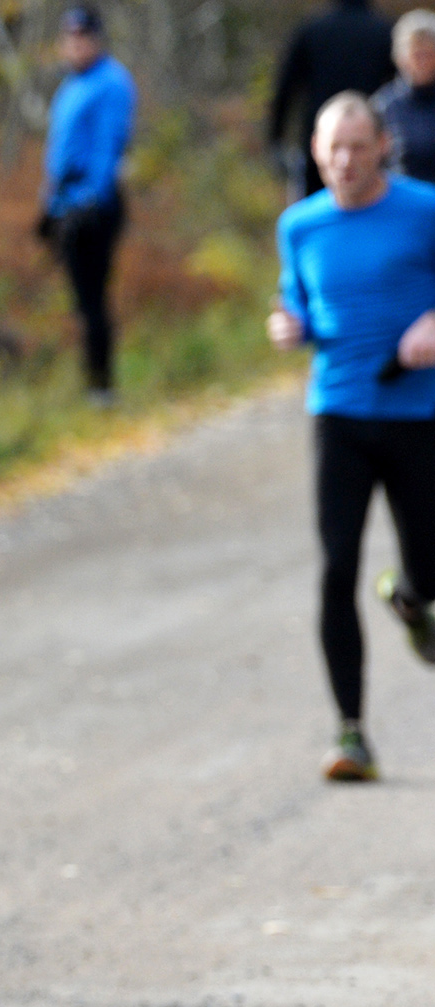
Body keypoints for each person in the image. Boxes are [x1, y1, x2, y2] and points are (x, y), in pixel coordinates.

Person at [269, 93, 435, 782]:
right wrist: (289, 325)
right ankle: (351, 732)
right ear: (315, 151)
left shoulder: (424, 210)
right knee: (335, 570)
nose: (344, 161)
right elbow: (296, 299)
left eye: (358, 147)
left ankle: (412, 595)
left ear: (381, 148)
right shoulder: (299, 225)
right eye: (332, 148)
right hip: (337, 410)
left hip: (418, 412)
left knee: (431, 566)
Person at [39, 7, 136, 404]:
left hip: (95, 206)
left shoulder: (111, 82)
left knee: (93, 298)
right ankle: (91, 383)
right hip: (66, 202)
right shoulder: (70, 85)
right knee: (79, 301)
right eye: (69, 37)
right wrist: (48, 206)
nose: (76, 44)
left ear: (97, 38)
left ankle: (102, 387)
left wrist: (90, 201)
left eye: (83, 36)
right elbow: (59, 151)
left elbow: (108, 148)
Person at [271, 0, 401, 197]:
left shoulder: (312, 29)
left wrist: (276, 138)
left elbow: (285, 89)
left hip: (321, 144)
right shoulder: (384, 30)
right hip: (368, 143)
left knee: (316, 211)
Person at [374, 10, 435, 183]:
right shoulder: (383, 106)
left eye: (429, 54)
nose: (422, 63)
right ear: (400, 57)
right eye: (417, 55)